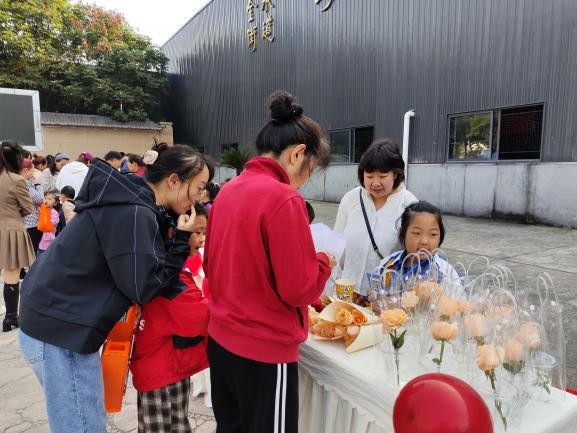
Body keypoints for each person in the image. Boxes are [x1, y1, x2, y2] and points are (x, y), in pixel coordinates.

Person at [18, 144, 213, 433]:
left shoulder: (132, 201)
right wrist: (182, 240)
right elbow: (143, 287)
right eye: (197, 187)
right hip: (59, 329)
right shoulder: (134, 211)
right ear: (173, 180)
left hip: (55, 322)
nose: (199, 197)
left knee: (86, 421)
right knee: (84, 426)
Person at [204, 90, 336, 433]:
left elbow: (211, 266)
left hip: (220, 340)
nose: (306, 179)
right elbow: (299, 289)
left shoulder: (229, 190)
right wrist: (323, 261)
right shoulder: (283, 198)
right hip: (262, 352)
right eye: (310, 170)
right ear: (297, 154)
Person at [130, 203, 210, 432]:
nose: (203, 239)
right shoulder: (168, 278)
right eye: (197, 231)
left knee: (177, 424)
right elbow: (199, 317)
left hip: (169, 366)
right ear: (173, 233)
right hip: (160, 371)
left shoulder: (165, 267)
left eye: (205, 231)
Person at [334, 139, 417, 295]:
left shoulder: (409, 205)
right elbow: (337, 246)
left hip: (385, 298)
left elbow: (414, 258)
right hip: (345, 291)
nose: (375, 183)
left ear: (396, 174)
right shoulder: (351, 199)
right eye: (370, 176)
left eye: (383, 176)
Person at [377, 200, 462, 290]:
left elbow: (459, 302)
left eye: (433, 234)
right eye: (417, 233)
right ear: (403, 233)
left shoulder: (446, 273)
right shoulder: (388, 264)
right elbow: (377, 294)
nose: (424, 241)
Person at [0, 140, 35, 332]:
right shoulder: (16, 180)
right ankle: (11, 317)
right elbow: (28, 208)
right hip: (12, 229)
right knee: (12, 275)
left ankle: (11, 317)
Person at [21, 159, 44, 252]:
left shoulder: (28, 181)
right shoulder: (23, 183)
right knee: (31, 252)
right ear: (26, 170)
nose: (34, 173)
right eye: (33, 170)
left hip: (28, 223)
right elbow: (39, 200)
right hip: (29, 224)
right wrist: (38, 184)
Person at [36, 191, 60, 256]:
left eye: (50, 199)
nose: (47, 200)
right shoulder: (41, 210)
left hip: (48, 241)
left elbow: (47, 224)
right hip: (39, 238)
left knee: (44, 257)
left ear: (55, 203)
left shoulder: (55, 213)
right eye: (46, 198)